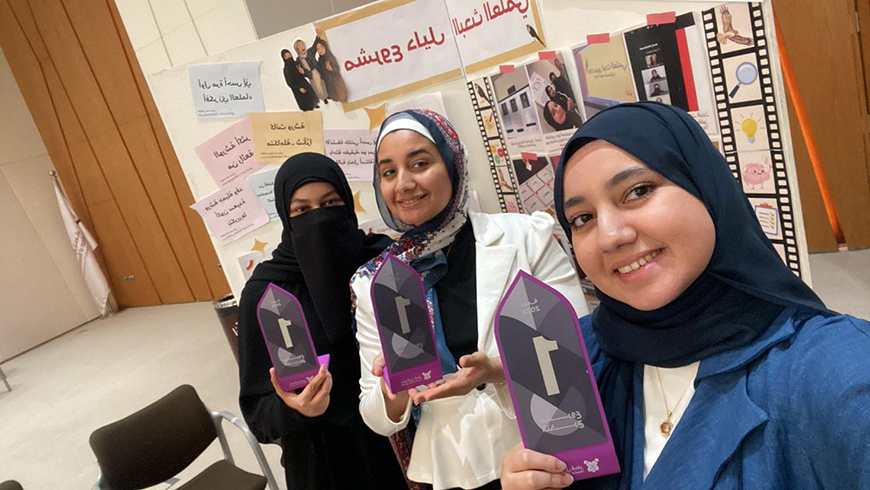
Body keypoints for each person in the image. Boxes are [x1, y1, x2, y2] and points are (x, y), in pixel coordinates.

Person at [500, 102, 870, 489]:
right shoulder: (579, 354)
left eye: (637, 191)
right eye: (582, 219)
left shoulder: (836, 372)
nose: (610, 236)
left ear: (705, 187)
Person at [351, 109, 588, 490]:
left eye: (420, 163)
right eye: (389, 172)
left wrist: (495, 370)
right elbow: (376, 415)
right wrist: (392, 387)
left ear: (453, 165)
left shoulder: (528, 237)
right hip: (452, 470)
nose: (404, 183)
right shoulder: (375, 282)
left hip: (546, 451)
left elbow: (582, 347)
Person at [237, 153, 405, 490]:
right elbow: (258, 413)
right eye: (302, 211)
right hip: (321, 458)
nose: (319, 220)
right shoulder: (267, 292)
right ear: (286, 217)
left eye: (330, 204)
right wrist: (296, 409)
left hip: (399, 436)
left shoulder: (382, 265)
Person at [294, 38, 328, 104]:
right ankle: (322, 98)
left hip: (317, 71)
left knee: (323, 84)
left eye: (302, 44)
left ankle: (326, 96)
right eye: (299, 46)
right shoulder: (298, 60)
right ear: (297, 49)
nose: (302, 47)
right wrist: (304, 72)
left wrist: (317, 35)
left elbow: (315, 45)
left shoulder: (310, 52)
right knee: (316, 88)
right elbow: (301, 72)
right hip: (310, 75)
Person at [315, 38, 348, 103]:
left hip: (335, 80)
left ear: (325, 47)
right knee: (334, 97)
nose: (320, 50)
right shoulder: (320, 59)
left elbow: (337, 68)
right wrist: (321, 78)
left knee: (341, 96)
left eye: (321, 47)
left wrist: (331, 69)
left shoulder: (330, 56)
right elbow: (321, 70)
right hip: (328, 82)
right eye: (318, 48)